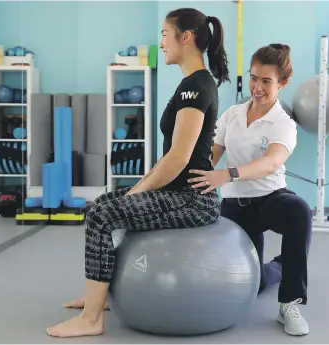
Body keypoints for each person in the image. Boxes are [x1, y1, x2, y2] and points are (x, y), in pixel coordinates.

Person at [46, 8, 230, 338]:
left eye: (164, 34)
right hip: (176, 192)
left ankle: (91, 320)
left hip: (191, 200)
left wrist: (137, 193)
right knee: (99, 205)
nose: (160, 42)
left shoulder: (196, 86)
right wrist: (140, 185)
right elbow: (168, 158)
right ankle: (97, 298)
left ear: (184, 37)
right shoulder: (192, 84)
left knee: (103, 217)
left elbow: (178, 158)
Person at [188, 44, 312, 336]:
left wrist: (226, 175)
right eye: (254, 78)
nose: (257, 87)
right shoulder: (232, 114)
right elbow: (211, 155)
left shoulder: (284, 123)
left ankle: (290, 302)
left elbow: (270, 163)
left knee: (300, 212)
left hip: (271, 199)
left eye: (266, 81)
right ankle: (280, 267)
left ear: (282, 83)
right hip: (234, 206)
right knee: (252, 285)